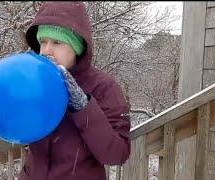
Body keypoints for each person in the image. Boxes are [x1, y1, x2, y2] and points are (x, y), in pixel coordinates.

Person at [19, 2, 131, 180]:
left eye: (57, 42)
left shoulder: (104, 87)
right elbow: (24, 134)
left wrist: (82, 105)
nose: (46, 50)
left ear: (77, 47)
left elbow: (117, 153)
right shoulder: (37, 81)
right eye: (43, 42)